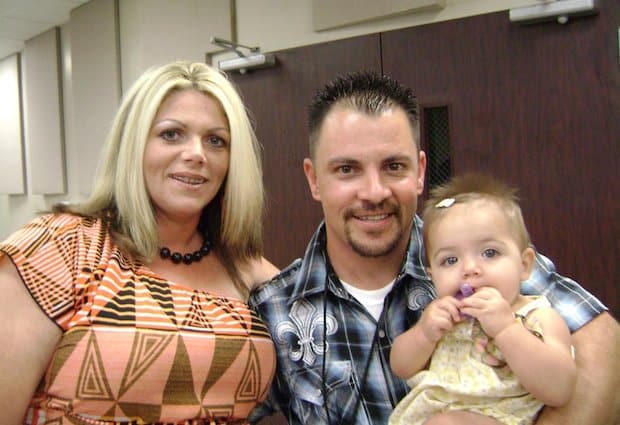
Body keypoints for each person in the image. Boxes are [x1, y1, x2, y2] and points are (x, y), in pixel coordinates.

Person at [248, 71, 619, 425]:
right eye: (347, 169)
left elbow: (605, 344)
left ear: (421, 171)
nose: (375, 192)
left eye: (394, 166)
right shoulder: (275, 309)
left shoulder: (484, 263)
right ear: (314, 180)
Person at [0, 61, 279, 424]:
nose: (197, 154)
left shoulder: (246, 269)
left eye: (216, 140)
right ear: (133, 146)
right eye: (171, 134)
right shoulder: (60, 247)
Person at [389, 173, 576, 425]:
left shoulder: (536, 317)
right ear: (433, 277)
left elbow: (560, 388)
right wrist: (423, 333)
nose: (469, 269)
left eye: (489, 253)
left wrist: (506, 328)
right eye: (450, 260)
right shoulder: (443, 317)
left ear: (524, 265)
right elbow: (400, 366)